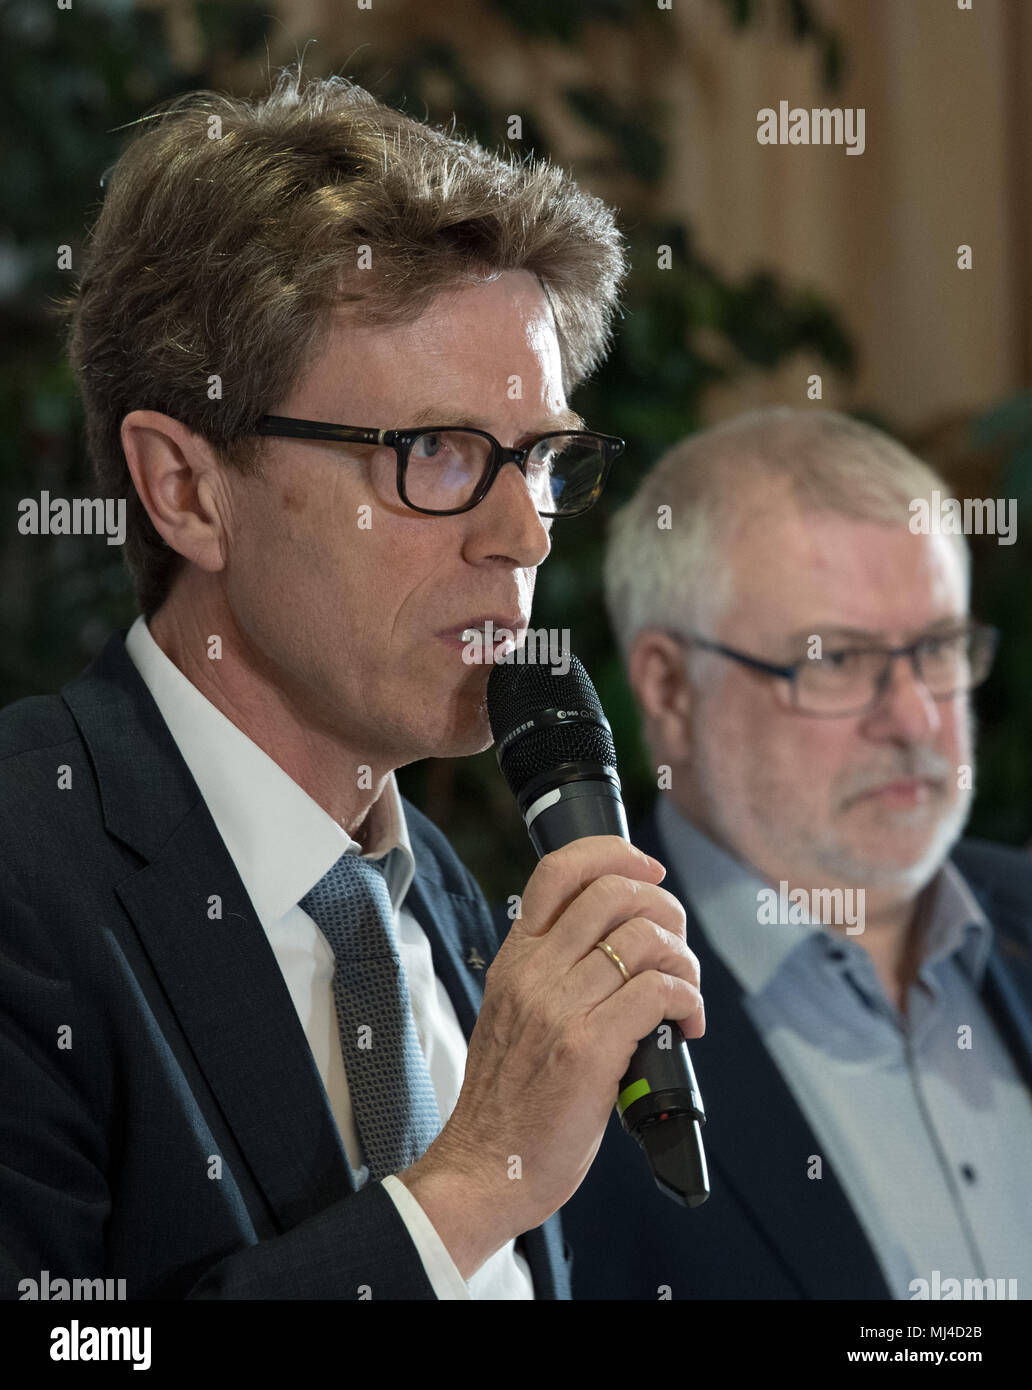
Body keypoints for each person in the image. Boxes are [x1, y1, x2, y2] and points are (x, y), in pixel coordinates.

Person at [0, 69, 705, 1301]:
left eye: (540, 459)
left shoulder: (455, 910)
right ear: (186, 488)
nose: (527, 536)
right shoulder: (29, 867)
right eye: (438, 453)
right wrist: (474, 1181)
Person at [560, 407, 1032, 1300]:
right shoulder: (554, 1030)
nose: (915, 720)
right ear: (667, 686)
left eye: (937, 649)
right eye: (839, 662)